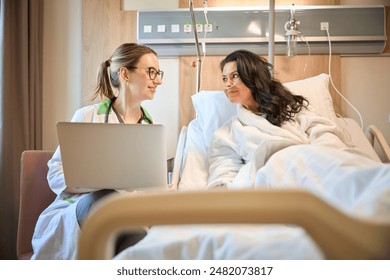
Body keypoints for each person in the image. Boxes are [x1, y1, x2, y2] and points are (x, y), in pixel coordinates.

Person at [31, 43, 164, 259]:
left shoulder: (151, 127)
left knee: (136, 232)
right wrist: (91, 184)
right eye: (151, 72)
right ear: (125, 74)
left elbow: (149, 189)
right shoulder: (87, 117)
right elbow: (55, 174)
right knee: (105, 198)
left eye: (158, 73)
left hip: (126, 219)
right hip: (81, 212)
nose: (157, 80)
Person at [207, 49, 352, 189]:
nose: (227, 84)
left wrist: (324, 160)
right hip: (273, 176)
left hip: (314, 168)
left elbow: (325, 134)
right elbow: (224, 172)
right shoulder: (228, 132)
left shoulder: (292, 109)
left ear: (252, 76)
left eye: (235, 76)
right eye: (224, 78)